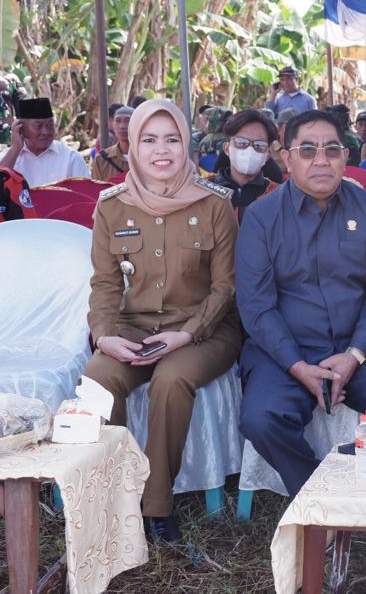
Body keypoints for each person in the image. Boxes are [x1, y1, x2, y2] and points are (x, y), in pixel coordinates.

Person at [234, 109, 366, 579]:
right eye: (307, 150)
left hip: (358, 348)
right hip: (285, 353)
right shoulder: (260, 218)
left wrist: (354, 355)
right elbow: (256, 307)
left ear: (346, 156)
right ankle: (320, 500)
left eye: (332, 149)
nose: (321, 160)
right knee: (260, 417)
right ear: (287, 159)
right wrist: (298, 365)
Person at [83, 99, 241, 544]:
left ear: (186, 143)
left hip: (204, 328)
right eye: (149, 139)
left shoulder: (215, 204)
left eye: (172, 139)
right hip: (133, 328)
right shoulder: (111, 207)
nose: (161, 150)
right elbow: (105, 284)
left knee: (172, 379)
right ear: (132, 145)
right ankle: (108, 497)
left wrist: (188, 332)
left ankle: (155, 506)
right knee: (98, 377)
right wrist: (105, 335)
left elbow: (225, 288)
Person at [211, 109, 281, 222]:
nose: (249, 150)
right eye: (241, 143)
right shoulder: (206, 189)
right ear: (227, 149)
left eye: (259, 145)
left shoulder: (278, 195)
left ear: (268, 154)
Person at [0, 97, 88, 185]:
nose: (45, 132)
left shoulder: (71, 159)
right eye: (38, 126)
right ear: (21, 128)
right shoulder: (7, 157)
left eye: (50, 125)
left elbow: (88, 195)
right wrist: (15, 149)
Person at [92, 105, 133, 181]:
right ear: (112, 124)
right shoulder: (101, 160)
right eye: (118, 121)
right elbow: (95, 190)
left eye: (128, 121)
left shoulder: (148, 157)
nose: (122, 126)